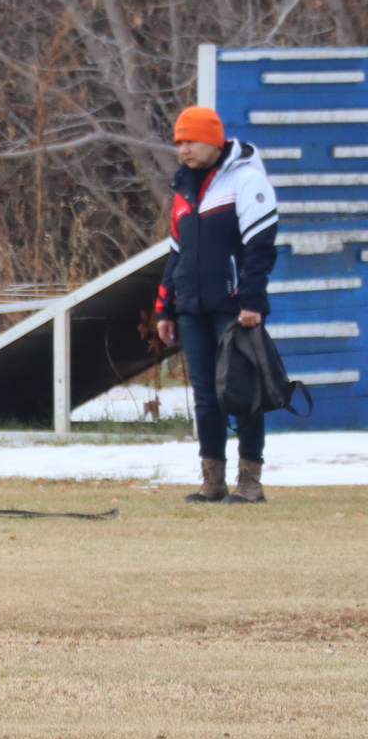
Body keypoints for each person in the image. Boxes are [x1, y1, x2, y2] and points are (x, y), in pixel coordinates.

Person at [152, 105, 278, 504]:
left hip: (234, 306)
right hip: (192, 307)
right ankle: (212, 481)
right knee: (205, 395)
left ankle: (250, 482)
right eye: (178, 142)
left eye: (189, 141)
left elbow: (260, 248)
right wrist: (166, 308)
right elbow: (177, 254)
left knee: (241, 392)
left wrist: (252, 301)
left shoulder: (246, 179)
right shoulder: (184, 189)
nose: (183, 149)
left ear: (212, 140)